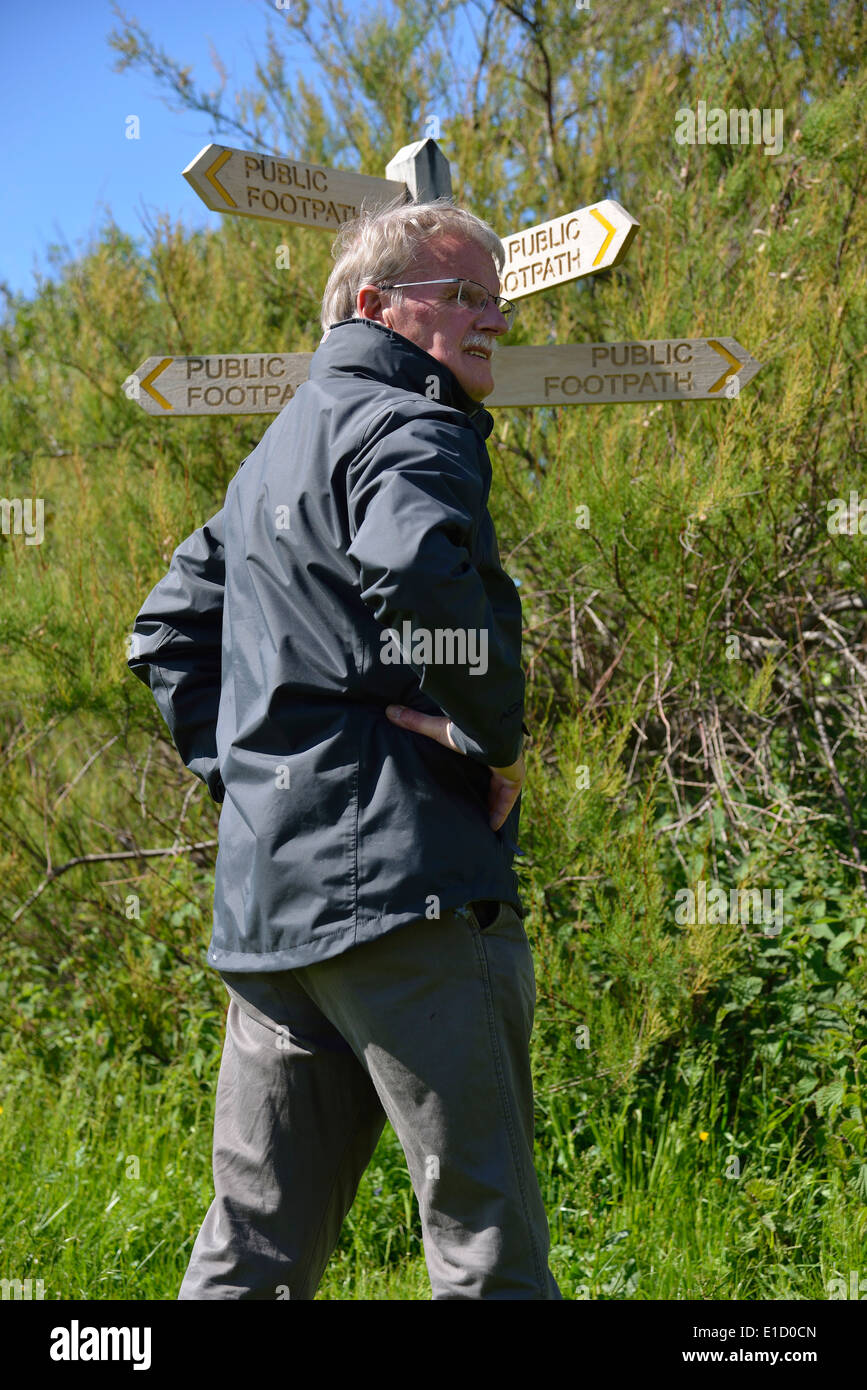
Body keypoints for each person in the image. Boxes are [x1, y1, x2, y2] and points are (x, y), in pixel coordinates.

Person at [127, 197, 562, 1300]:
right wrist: (493, 733)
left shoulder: (273, 454)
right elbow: (417, 573)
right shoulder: (413, 422)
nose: (494, 321)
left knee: (255, 1246)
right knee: (485, 1241)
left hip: (276, 919)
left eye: (497, 299)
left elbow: (168, 629)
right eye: (464, 295)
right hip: (409, 892)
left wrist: (258, 778)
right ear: (376, 305)